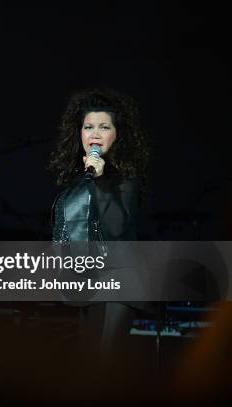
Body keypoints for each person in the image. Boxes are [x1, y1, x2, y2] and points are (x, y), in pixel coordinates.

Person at [48, 88, 150, 364]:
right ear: (79, 133)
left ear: (117, 134)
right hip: (87, 284)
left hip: (118, 282)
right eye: (88, 127)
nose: (94, 134)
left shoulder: (124, 178)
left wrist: (102, 182)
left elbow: (116, 227)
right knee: (87, 365)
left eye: (104, 127)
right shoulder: (81, 179)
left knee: (102, 367)